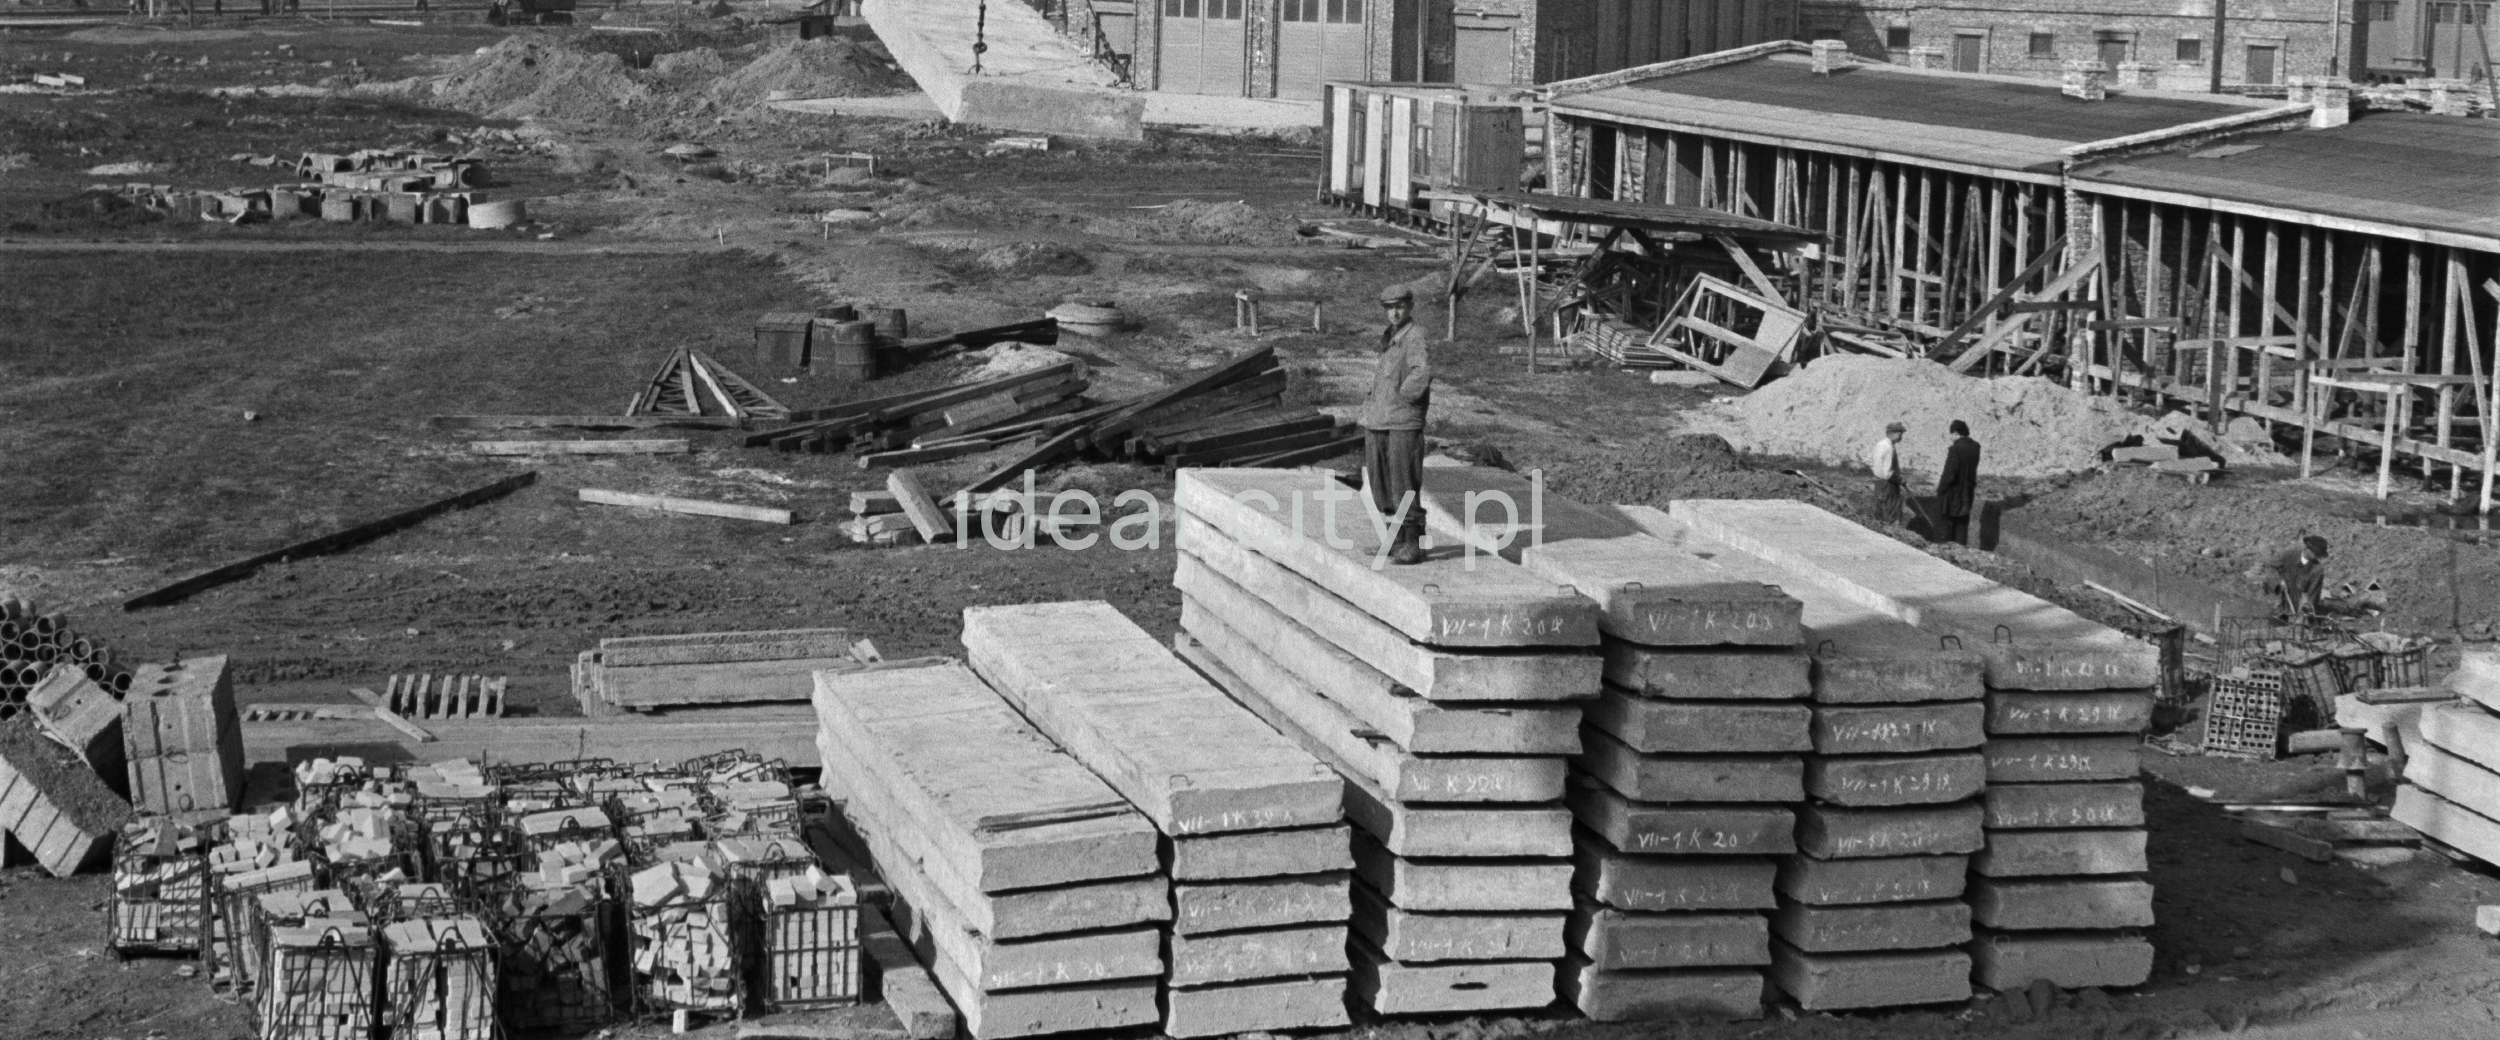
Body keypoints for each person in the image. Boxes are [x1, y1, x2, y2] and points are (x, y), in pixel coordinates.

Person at [1363, 284, 1433, 565]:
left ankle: (1414, 543)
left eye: (1400, 306)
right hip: (1380, 418)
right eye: (1389, 307)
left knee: (1404, 481)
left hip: (1403, 420)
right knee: (1382, 482)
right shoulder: (1391, 336)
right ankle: (1396, 538)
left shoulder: (1414, 336)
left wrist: (1404, 398)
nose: (1394, 312)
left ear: (1410, 307)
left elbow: (1422, 371)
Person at [1935, 420, 1981, 546]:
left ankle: (1943, 550)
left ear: (1955, 433)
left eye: (1951, 434)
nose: (1950, 438)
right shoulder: (1976, 447)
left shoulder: (1955, 449)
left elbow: (1950, 473)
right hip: (1968, 492)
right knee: (1962, 522)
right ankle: (1960, 550)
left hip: (1953, 492)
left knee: (1945, 521)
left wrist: (1941, 489)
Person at [2272, 535, 2330, 616]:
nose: (2318, 557)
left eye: (2320, 555)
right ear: (2307, 549)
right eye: (2316, 553)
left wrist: (2306, 610)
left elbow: (2313, 597)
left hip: (2294, 613)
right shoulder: (2288, 555)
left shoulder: (2317, 570)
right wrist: (2278, 582)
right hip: (2275, 606)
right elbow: (2269, 567)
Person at [1867, 420, 1907, 525]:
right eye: (1898, 432)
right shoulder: (1889, 448)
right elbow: (1887, 473)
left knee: (1880, 507)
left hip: (1878, 482)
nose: (1900, 435)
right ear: (1890, 433)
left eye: (1901, 433)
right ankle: (1893, 533)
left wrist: (1876, 472)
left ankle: (1879, 528)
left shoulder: (1880, 444)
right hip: (1888, 484)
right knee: (1893, 510)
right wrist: (1899, 480)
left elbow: (1869, 460)